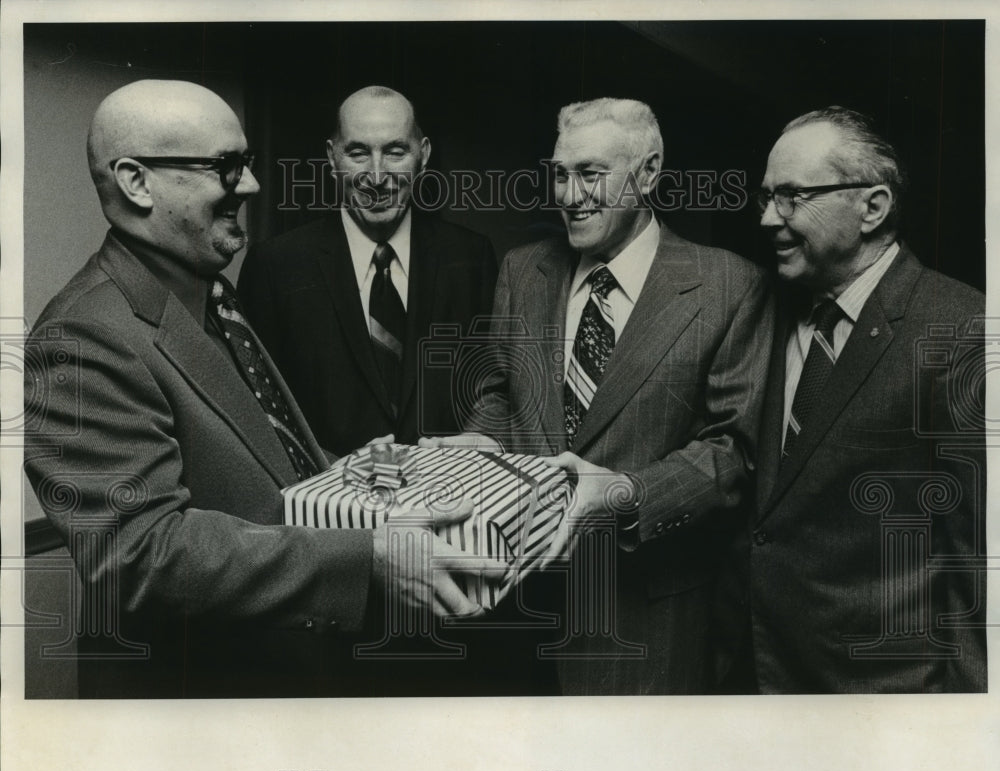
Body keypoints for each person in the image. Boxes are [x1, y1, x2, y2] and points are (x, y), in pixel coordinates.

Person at [22, 79, 488, 699]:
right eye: (226, 167)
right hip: (198, 704)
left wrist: (344, 471)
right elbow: (139, 554)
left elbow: (261, 459)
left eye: (245, 163)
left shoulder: (209, 296)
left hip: (285, 668)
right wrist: (366, 555)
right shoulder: (82, 336)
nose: (250, 186)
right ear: (137, 183)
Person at [426, 98, 774, 694]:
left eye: (590, 174)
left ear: (648, 173)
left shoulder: (729, 286)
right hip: (516, 608)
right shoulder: (522, 268)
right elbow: (504, 392)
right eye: (559, 174)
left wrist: (622, 493)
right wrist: (479, 439)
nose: (568, 195)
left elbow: (732, 451)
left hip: (644, 619)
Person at [744, 106, 986, 692]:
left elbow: (976, 560)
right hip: (760, 682)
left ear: (872, 208)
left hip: (887, 703)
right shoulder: (763, 312)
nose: (767, 219)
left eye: (792, 197)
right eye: (765, 196)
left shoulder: (961, 330)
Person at [237, 85, 498, 457]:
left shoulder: (472, 258)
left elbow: (493, 386)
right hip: (320, 507)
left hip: (448, 497)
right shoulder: (275, 266)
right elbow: (257, 409)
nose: (376, 177)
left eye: (395, 151)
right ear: (332, 157)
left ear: (422, 156)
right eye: (358, 152)